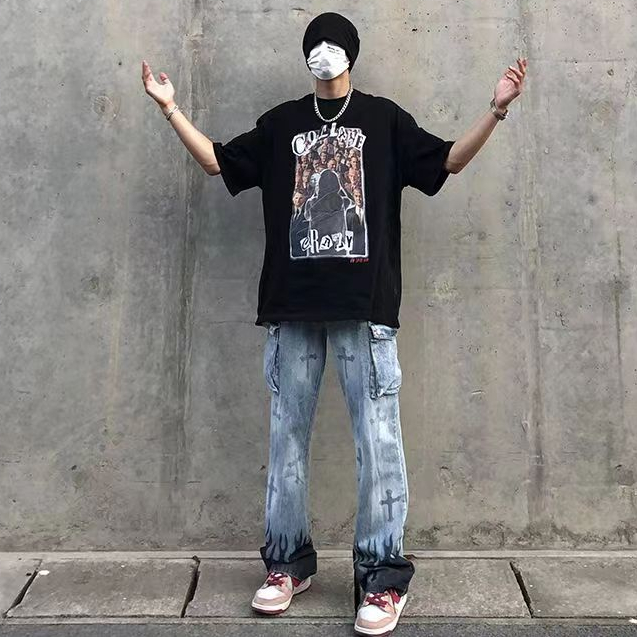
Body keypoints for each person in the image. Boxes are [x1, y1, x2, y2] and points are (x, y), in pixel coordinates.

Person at [142, 11, 527, 636]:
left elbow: (447, 162)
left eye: (333, 43)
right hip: (292, 309)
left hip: (364, 308)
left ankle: (381, 578)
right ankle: (286, 565)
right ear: (306, 57)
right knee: (286, 442)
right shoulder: (281, 125)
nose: (323, 52)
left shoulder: (384, 120)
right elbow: (218, 163)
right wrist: (170, 108)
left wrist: (496, 110)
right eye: (314, 44)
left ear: (351, 53)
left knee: (378, 444)